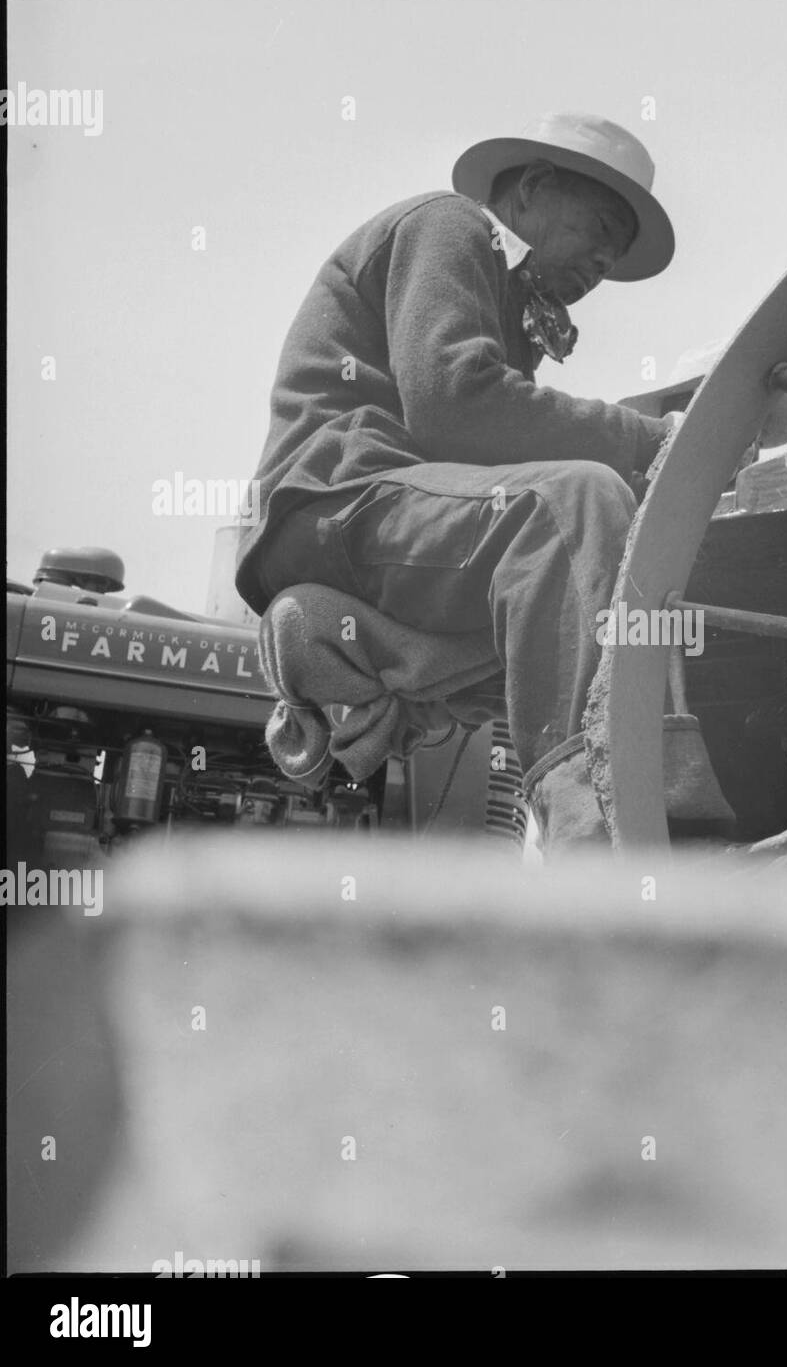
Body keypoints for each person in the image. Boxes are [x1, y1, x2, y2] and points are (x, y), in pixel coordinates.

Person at [234, 113, 733, 851]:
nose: (602, 260)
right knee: (579, 505)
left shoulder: (507, 293)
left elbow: (480, 441)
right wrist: (648, 441)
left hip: (377, 516)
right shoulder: (454, 225)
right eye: (600, 227)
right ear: (531, 187)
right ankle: (598, 826)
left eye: (616, 251)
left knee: (586, 598)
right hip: (340, 496)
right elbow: (455, 402)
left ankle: (357, 643)